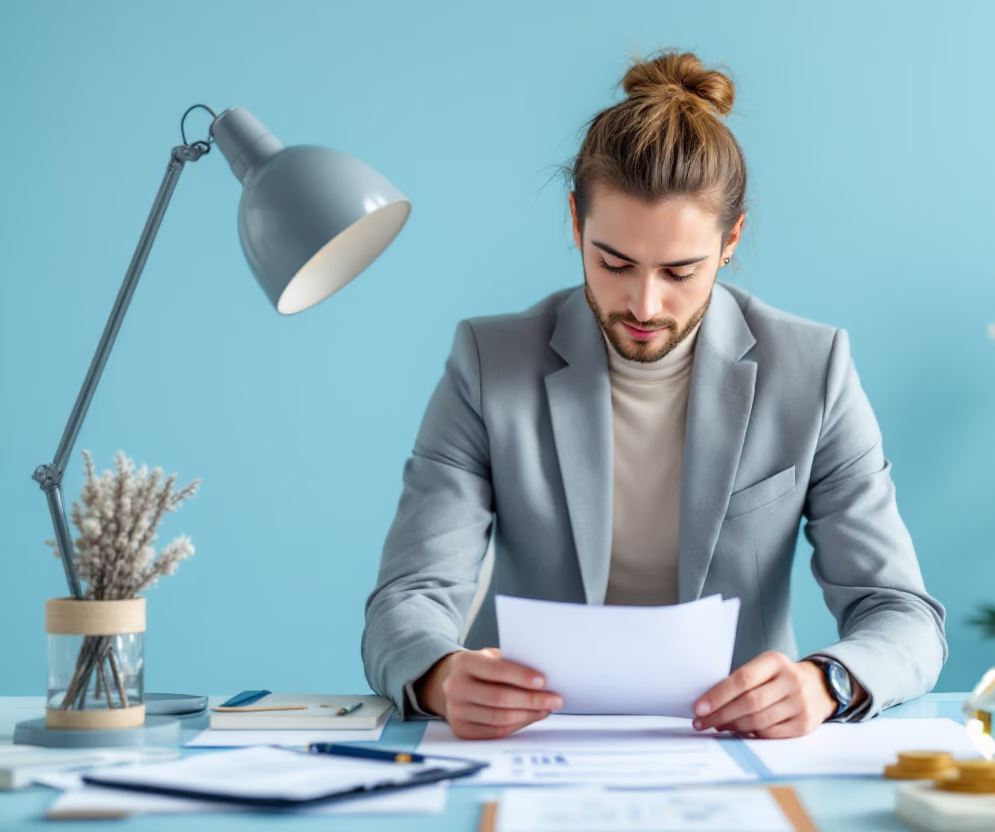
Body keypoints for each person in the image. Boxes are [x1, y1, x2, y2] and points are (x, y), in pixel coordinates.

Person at [362, 48, 946, 741]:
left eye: (679, 271)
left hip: (736, 747)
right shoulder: (489, 363)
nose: (643, 303)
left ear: (732, 239)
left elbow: (902, 613)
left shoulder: (813, 369)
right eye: (614, 263)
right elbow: (408, 598)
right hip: (526, 745)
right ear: (575, 223)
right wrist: (441, 675)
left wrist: (826, 681)